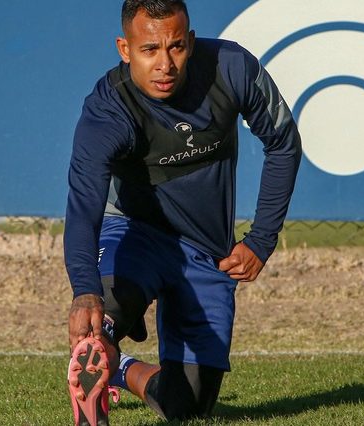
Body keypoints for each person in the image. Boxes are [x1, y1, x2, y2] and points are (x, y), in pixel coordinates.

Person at [63, 0, 302, 423]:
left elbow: (283, 142)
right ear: (124, 49)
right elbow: (84, 204)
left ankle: (114, 369)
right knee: (101, 325)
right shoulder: (108, 110)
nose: (165, 64)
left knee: (187, 408)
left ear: (190, 41)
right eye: (149, 49)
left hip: (208, 253)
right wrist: (85, 290)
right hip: (136, 235)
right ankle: (99, 352)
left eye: (175, 47)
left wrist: (261, 239)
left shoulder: (232, 68)